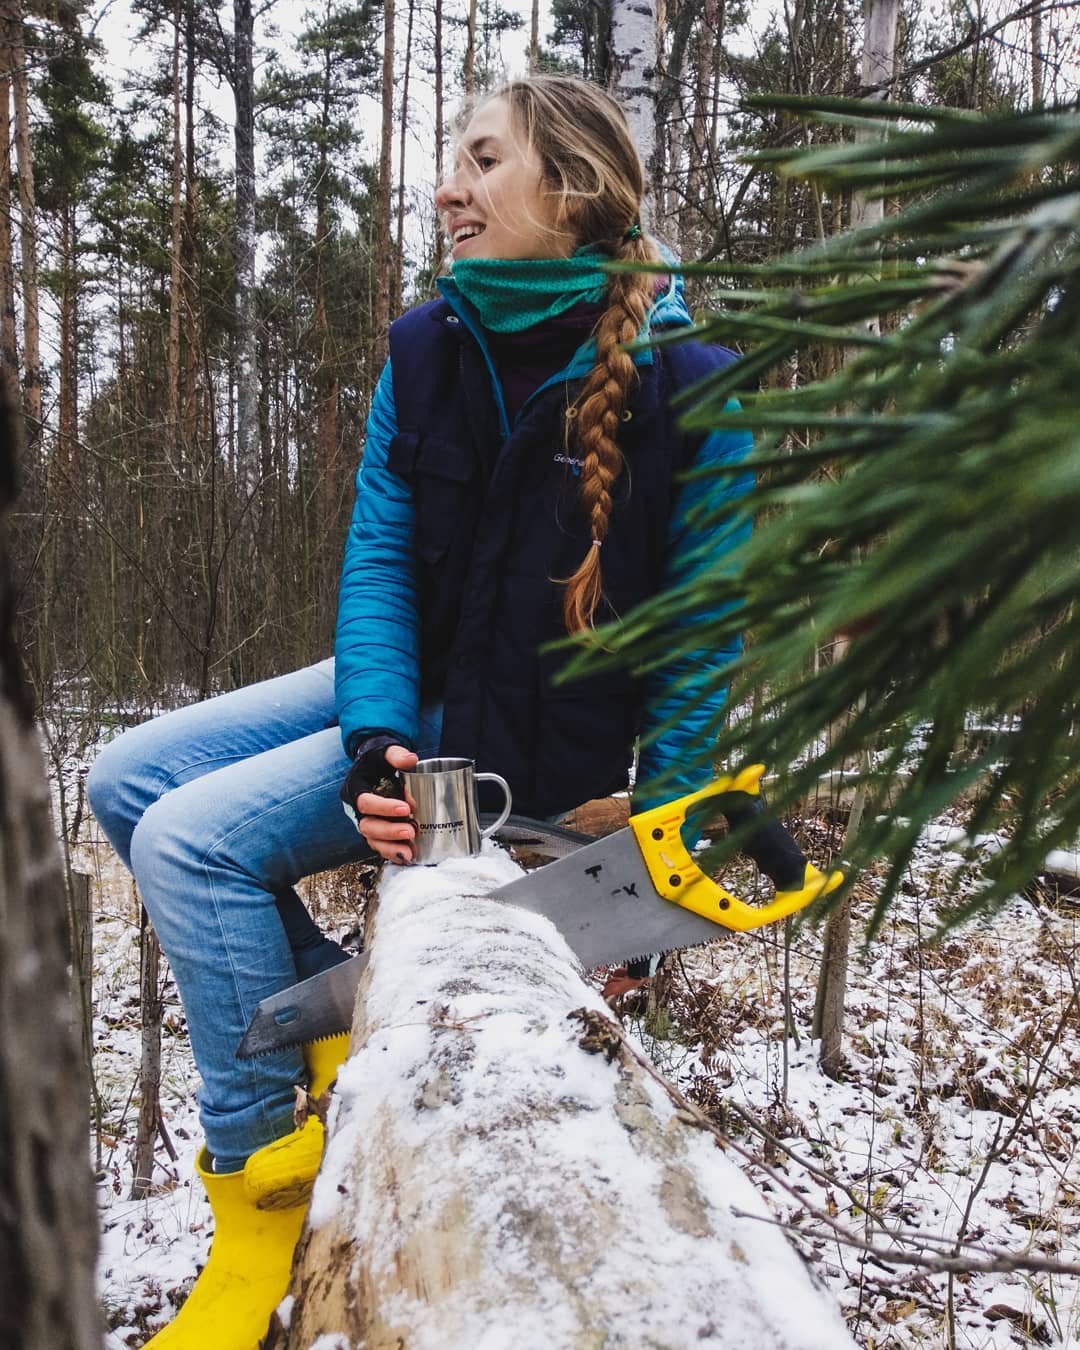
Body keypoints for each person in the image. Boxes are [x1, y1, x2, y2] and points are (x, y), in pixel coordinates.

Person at [87, 73, 753, 1349]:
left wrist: (646, 879)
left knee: (188, 843)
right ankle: (338, 1016)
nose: (447, 185)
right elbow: (381, 562)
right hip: (413, 694)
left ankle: (262, 1190)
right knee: (123, 777)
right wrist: (375, 741)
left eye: (482, 159)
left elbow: (697, 645)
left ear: (573, 191)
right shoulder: (425, 350)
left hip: (519, 751)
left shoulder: (695, 389)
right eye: (451, 158)